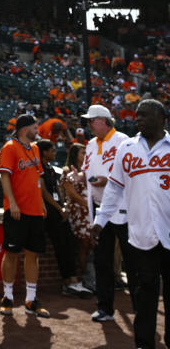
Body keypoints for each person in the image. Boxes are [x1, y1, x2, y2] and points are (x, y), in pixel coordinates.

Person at [93, 99, 170, 349]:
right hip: (140, 231)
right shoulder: (127, 148)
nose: (138, 119)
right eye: (137, 116)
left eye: (145, 115)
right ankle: (144, 343)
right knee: (144, 291)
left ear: (161, 119)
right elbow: (114, 188)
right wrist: (100, 220)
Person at [82, 103, 135, 322]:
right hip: (99, 210)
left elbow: (129, 173)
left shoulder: (123, 140)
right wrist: (78, 178)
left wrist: (108, 181)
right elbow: (87, 171)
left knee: (132, 261)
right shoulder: (91, 144)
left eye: (91, 121)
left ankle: (141, 306)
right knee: (102, 260)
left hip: (122, 207)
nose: (89, 125)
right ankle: (105, 307)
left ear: (103, 120)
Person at [0, 114, 50, 317]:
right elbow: (4, 176)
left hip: (35, 210)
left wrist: (42, 203)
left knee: (33, 254)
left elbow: (38, 179)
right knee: (11, 254)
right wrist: (12, 203)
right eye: (34, 126)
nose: (37, 129)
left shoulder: (35, 149)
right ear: (23, 129)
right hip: (17, 210)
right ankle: (8, 297)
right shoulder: (10, 147)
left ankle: (30, 299)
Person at [37, 139, 91, 296]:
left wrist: (63, 207)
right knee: (62, 246)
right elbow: (44, 192)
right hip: (50, 212)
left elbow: (57, 191)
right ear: (44, 152)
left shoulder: (51, 168)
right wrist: (60, 208)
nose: (55, 153)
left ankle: (73, 280)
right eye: (51, 150)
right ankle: (69, 282)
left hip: (60, 211)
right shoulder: (39, 168)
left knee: (69, 244)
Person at [62, 143, 94, 293]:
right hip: (78, 212)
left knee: (91, 244)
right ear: (75, 154)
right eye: (83, 153)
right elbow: (71, 193)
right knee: (83, 244)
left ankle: (90, 278)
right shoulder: (67, 170)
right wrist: (88, 205)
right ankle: (83, 278)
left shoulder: (88, 171)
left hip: (89, 212)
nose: (85, 155)